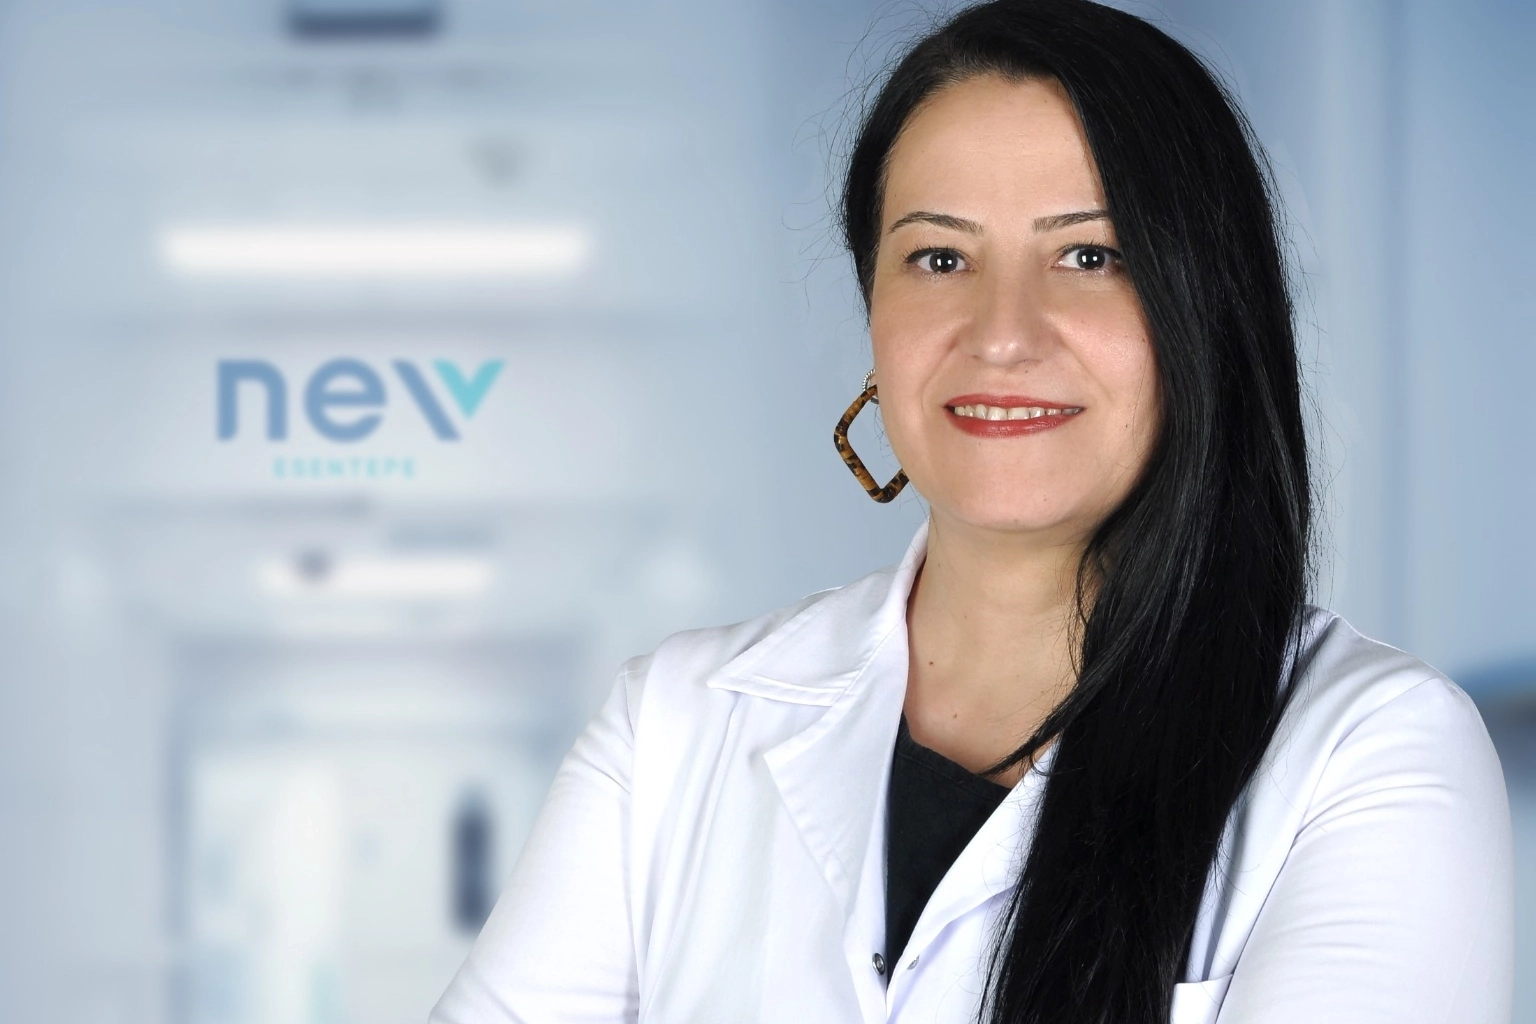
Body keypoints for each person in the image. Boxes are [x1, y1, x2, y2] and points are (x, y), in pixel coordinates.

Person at [429, 1, 1514, 1022]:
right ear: (874, 312)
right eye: (939, 257)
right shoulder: (672, 725)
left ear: (1204, 309)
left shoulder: (1368, 750)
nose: (1001, 333)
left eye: (1089, 256)